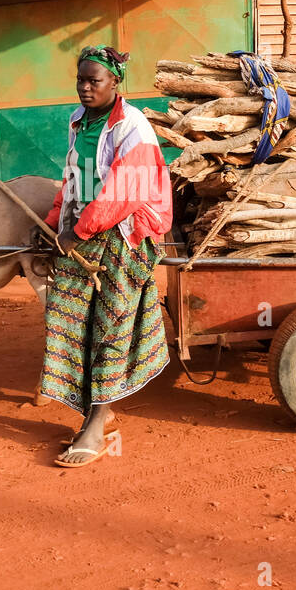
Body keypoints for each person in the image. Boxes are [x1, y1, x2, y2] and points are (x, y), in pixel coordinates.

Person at [40, 45, 174, 468]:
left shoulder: (132, 127)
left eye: (93, 81)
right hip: (87, 230)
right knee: (70, 319)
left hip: (125, 233)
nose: (84, 88)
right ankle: (97, 407)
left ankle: (96, 422)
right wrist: (55, 220)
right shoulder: (78, 121)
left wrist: (78, 231)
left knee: (108, 325)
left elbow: (125, 194)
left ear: (115, 82)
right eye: (80, 80)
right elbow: (72, 174)